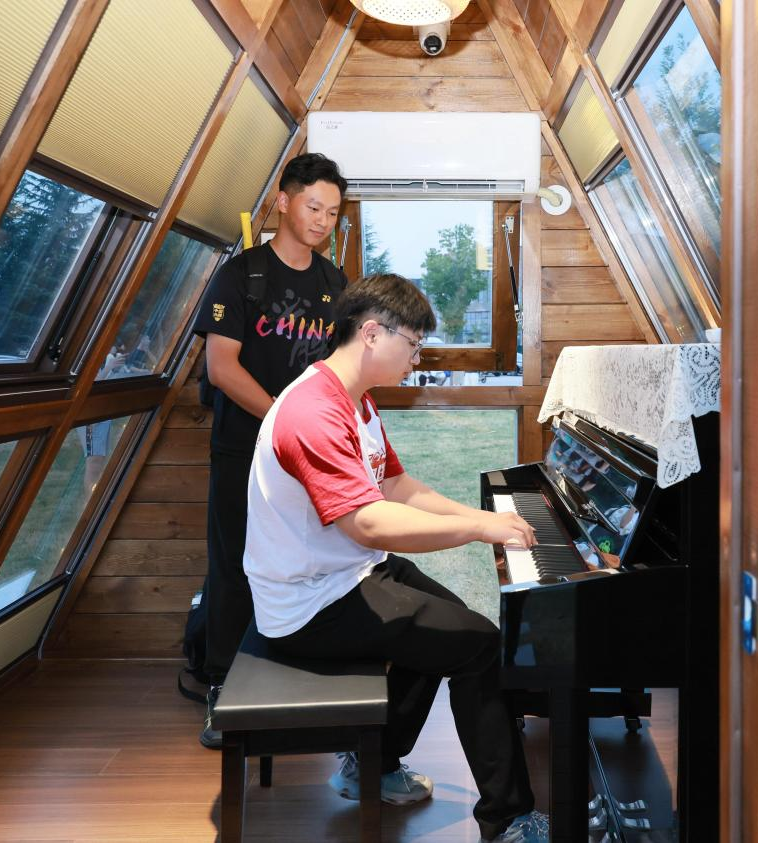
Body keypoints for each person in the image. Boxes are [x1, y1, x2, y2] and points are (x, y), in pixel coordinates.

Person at [243, 273, 548, 843]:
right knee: (480, 646)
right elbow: (368, 522)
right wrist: (477, 528)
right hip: (310, 602)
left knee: (455, 625)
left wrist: (483, 517)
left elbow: (396, 487)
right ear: (371, 333)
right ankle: (508, 821)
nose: (416, 358)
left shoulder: (355, 400)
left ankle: (372, 762)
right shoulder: (312, 410)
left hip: (349, 571)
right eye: (413, 344)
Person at [190, 152, 349, 748]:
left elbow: (339, 368)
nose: (322, 221)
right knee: (235, 566)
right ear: (283, 201)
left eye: (332, 213)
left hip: (309, 457)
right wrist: (284, 420)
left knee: (311, 563)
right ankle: (222, 688)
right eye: (314, 207)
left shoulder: (335, 284)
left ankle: (297, 676)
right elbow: (221, 367)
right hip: (244, 450)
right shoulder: (240, 275)